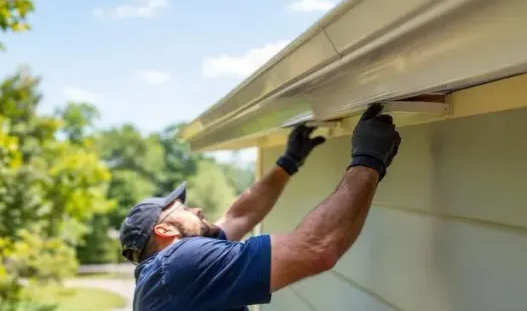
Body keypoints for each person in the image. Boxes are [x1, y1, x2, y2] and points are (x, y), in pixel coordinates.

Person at [119, 103, 401, 311]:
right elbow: (316, 247)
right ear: (164, 229)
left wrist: (288, 163)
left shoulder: (166, 277)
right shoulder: (181, 263)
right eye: (184, 208)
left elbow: (238, 215)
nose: (197, 210)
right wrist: (369, 159)